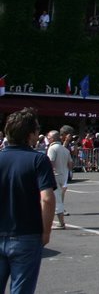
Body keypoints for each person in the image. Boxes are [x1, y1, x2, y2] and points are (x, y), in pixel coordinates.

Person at [0, 108, 56, 294]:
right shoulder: (38, 160)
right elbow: (47, 199)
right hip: (26, 234)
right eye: (36, 130)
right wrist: (46, 232)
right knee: (22, 289)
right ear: (30, 134)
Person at [45, 130, 73, 229]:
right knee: (57, 198)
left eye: (48, 137)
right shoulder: (65, 149)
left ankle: (61, 223)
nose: (47, 139)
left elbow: (50, 162)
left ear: (52, 138)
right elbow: (70, 164)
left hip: (55, 176)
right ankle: (54, 221)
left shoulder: (52, 148)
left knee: (57, 200)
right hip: (63, 176)